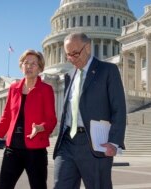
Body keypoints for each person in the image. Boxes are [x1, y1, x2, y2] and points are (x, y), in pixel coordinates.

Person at [53, 32, 127, 189]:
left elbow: (118, 108)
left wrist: (114, 142)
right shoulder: (69, 75)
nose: (71, 59)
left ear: (87, 47)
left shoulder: (108, 70)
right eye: (68, 55)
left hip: (94, 143)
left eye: (75, 53)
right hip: (67, 142)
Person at [0, 49, 57, 189]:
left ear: (40, 68)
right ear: (21, 66)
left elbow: (52, 120)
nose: (29, 66)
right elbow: (6, 117)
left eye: (33, 63)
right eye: (26, 63)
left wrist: (40, 127)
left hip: (36, 150)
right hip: (13, 149)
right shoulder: (14, 88)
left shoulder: (46, 89)